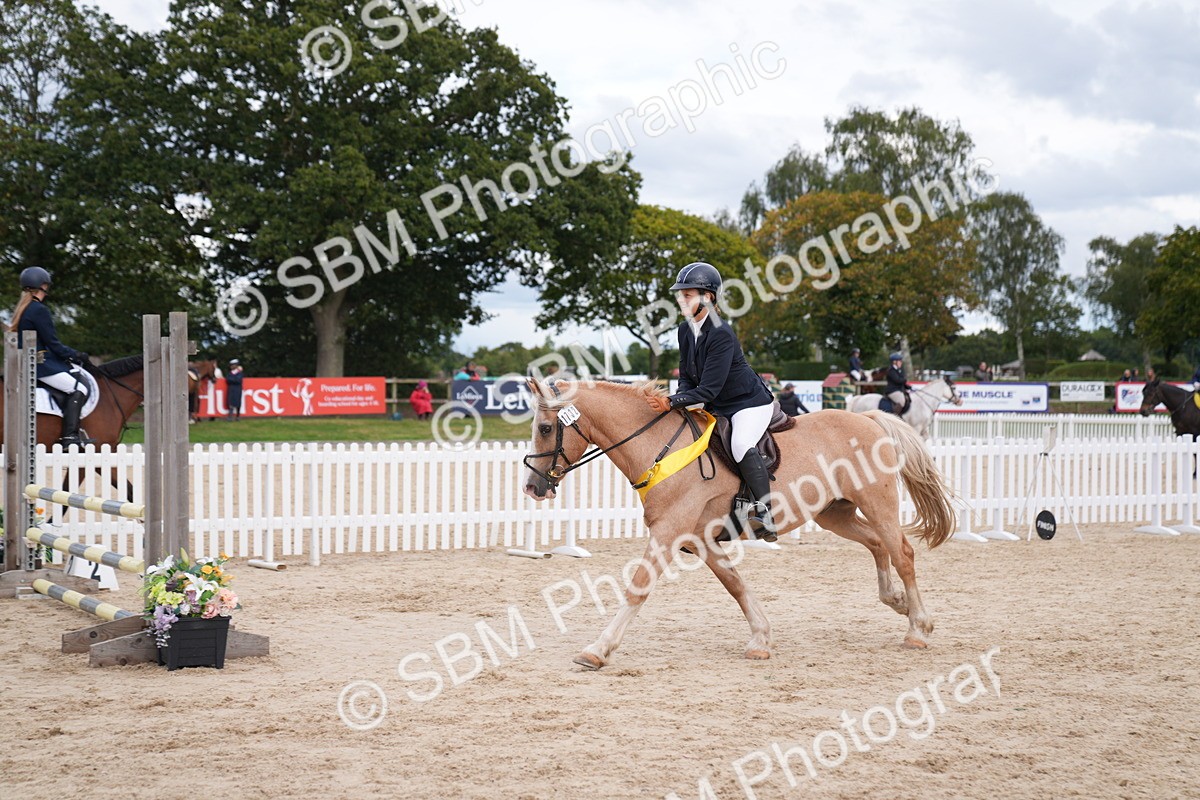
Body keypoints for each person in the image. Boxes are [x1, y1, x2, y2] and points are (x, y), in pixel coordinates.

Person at [644, 262, 778, 541]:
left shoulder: (721, 333)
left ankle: (764, 512)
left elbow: (707, 390)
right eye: (680, 295)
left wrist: (672, 402)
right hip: (717, 403)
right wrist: (678, 397)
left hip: (748, 403)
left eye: (688, 294)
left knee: (740, 444)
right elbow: (686, 377)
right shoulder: (685, 330)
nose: (681, 299)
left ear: (708, 297)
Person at [9, 267, 93, 447]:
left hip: (30, 362)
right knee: (78, 388)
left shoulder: (23, 309)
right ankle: (70, 437)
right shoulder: (39, 309)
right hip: (41, 365)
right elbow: (53, 344)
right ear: (43, 286)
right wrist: (76, 354)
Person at [885, 352, 911, 416]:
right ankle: (894, 416)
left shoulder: (898, 370)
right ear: (894, 362)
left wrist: (907, 386)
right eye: (899, 361)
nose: (901, 362)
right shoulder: (891, 370)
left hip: (898, 390)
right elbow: (898, 380)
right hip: (892, 391)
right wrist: (905, 380)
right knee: (902, 401)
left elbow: (901, 381)